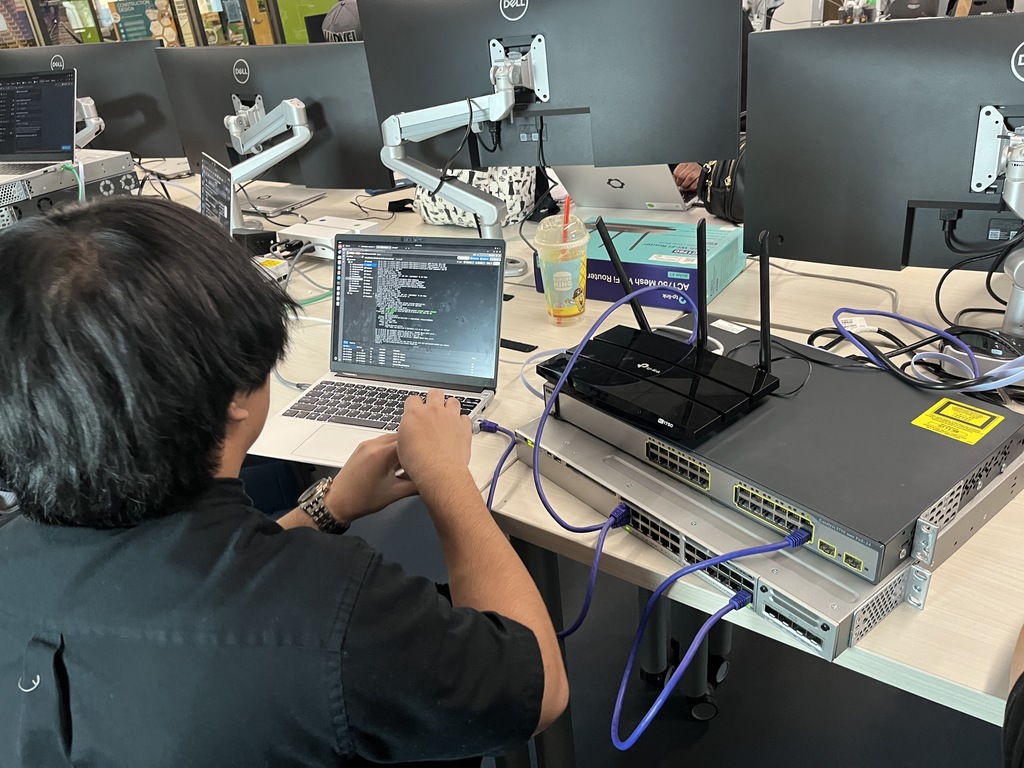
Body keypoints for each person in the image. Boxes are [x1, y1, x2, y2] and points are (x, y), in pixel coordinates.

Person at [0, 196, 568, 767]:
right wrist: (446, 478)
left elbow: (184, 581)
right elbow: (540, 690)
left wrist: (327, 507)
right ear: (235, 395)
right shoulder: (332, 613)